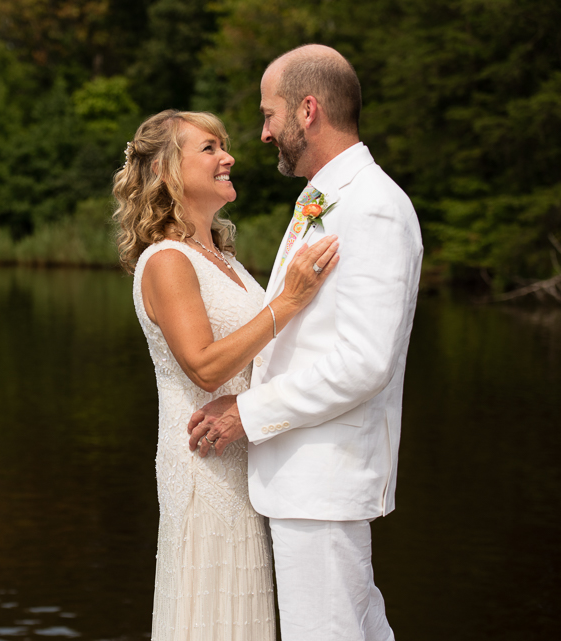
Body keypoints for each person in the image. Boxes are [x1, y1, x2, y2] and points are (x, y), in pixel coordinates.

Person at [187, 45, 423, 641]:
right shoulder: (329, 196)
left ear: (308, 110)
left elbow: (364, 362)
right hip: (304, 476)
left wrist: (247, 411)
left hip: (324, 476)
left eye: (270, 115)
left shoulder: (372, 207)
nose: (263, 133)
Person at [113, 109, 339, 640]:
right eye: (210, 148)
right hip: (203, 468)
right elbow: (205, 366)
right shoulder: (167, 260)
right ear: (168, 170)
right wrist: (288, 301)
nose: (228, 157)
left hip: (244, 464)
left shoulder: (226, 261)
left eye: (225, 146)